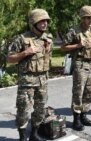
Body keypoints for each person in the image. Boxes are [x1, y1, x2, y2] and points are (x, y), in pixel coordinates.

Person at [7, 9, 52, 141]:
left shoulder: (48, 39)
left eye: (46, 21)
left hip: (43, 80)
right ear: (34, 22)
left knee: (40, 109)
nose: (45, 23)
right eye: (41, 21)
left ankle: (34, 134)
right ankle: (22, 136)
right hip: (27, 81)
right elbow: (9, 59)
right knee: (23, 110)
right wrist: (25, 52)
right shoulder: (22, 39)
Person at [61, 5, 91, 131]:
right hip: (80, 64)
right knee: (78, 92)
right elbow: (63, 47)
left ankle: (84, 115)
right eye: (88, 18)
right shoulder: (74, 31)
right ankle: (76, 119)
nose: (90, 20)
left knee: (89, 91)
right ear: (82, 18)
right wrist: (77, 45)